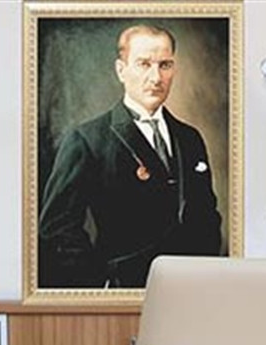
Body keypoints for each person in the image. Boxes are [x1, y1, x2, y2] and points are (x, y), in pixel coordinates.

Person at [37, 23, 224, 289]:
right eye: (144, 64)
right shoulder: (87, 140)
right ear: (121, 70)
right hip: (123, 291)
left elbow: (207, 217)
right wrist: (102, 283)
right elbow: (57, 229)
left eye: (165, 65)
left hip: (190, 289)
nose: (156, 78)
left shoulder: (190, 138)